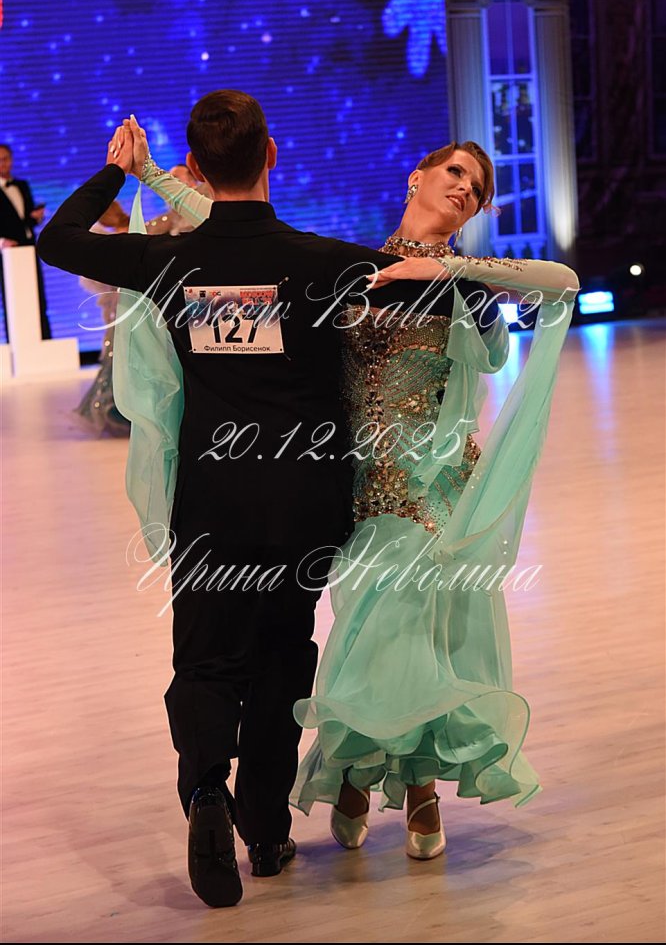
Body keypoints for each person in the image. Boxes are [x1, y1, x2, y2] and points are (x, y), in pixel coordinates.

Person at [37, 90, 497, 907]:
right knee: (283, 655)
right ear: (273, 155)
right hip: (302, 505)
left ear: (199, 165)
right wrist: (469, 271)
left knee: (206, 660)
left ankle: (206, 792)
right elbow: (436, 291)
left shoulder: (172, 262)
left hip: (212, 501)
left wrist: (118, 174)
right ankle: (265, 830)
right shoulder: (320, 262)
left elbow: (58, 238)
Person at [137, 137, 579, 860]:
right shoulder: (346, 266)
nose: (465, 188)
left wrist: (450, 268)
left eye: (478, 187)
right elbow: (233, 228)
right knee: (370, 635)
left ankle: (409, 784)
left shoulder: (463, 283)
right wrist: (154, 175)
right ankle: (362, 772)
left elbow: (561, 279)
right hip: (349, 487)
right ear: (417, 176)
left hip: (432, 490)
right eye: (455, 171)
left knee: (410, 635)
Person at [75, 201, 131, 436]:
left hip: (124, 304)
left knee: (117, 355)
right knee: (120, 356)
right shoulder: (134, 232)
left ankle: (117, 410)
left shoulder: (112, 240)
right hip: (128, 303)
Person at [0, 142, 51, 339]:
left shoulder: (22, 185)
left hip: (29, 248)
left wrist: (36, 217)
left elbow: (24, 220)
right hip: (7, 254)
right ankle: (16, 342)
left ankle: (45, 339)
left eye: (6, 159)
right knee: (13, 298)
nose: (3, 163)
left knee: (37, 296)